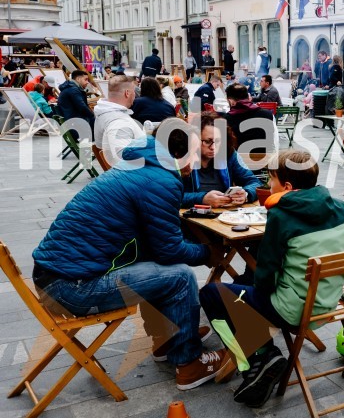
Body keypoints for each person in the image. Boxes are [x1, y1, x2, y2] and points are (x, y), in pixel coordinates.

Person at [32, 120, 232, 390]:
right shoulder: (160, 179)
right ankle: (188, 363)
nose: (196, 161)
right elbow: (170, 250)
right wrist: (209, 252)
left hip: (53, 278)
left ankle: (167, 340)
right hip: (72, 289)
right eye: (194, 153)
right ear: (178, 153)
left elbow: (155, 200)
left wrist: (197, 199)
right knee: (181, 276)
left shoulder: (141, 166)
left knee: (154, 264)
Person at [199, 150, 344, 408]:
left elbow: (265, 278)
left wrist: (250, 303)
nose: (269, 186)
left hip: (291, 311)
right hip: (329, 303)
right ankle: (262, 356)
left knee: (211, 293)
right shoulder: (341, 208)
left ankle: (256, 358)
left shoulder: (281, 216)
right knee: (241, 293)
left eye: (272, 181)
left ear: (287, 186)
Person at [181, 112, 260, 208]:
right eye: (207, 141)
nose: (213, 147)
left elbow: (254, 182)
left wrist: (246, 194)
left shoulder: (229, 154)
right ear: (194, 139)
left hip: (224, 215)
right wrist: (202, 199)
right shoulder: (183, 158)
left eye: (218, 141)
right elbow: (171, 195)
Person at [93, 75, 144, 163]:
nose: (135, 95)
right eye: (134, 91)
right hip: (140, 173)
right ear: (127, 93)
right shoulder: (118, 122)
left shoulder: (104, 114)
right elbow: (123, 159)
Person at [225, 83, 275, 154]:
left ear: (231, 101)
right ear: (248, 97)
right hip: (263, 161)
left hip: (238, 162)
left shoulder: (226, 119)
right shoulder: (267, 114)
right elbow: (273, 141)